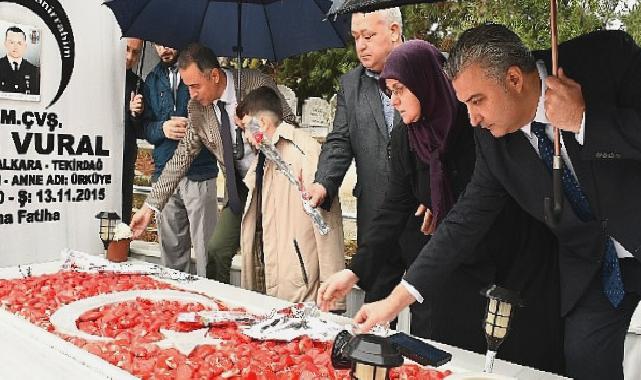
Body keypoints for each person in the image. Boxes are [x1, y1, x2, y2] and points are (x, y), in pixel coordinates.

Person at [342, 24, 641, 380]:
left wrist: (586, 121)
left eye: (477, 100)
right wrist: (395, 300)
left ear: (514, 79)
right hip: (593, 265)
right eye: (464, 103)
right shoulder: (492, 140)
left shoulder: (605, 59)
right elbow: (465, 219)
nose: (472, 118)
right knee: (585, 362)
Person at [318, 40, 563, 372]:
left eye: (401, 89)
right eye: (389, 91)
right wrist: (355, 269)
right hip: (453, 267)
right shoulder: (407, 136)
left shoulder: (474, 121)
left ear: (425, 81)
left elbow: (482, 200)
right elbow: (395, 206)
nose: (395, 100)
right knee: (448, 358)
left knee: (514, 360)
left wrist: (443, 203)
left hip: (511, 259)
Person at [130, 43, 295, 283]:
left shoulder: (255, 84)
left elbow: (290, 126)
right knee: (216, 251)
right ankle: (220, 313)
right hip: (238, 189)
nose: (192, 93)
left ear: (215, 76)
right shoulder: (197, 108)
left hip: (275, 180)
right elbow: (181, 157)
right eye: (188, 87)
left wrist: (258, 131)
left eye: (195, 86)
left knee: (269, 253)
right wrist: (149, 207)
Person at [308, 8, 424, 305]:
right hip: (376, 211)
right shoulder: (351, 84)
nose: (361, 45)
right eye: (356, 37)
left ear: (395, 31)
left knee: (429, 308)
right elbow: (340, 141)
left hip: (424, 214)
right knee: (375, 308)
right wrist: (323, 183)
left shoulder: (428, 71)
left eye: (369, 36)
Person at [236, 86, 345, 305]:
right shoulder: (264, 155)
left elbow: (327, 225)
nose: (245, 137)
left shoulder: (303, 151)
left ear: (263, 123)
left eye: (246, 128)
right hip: (271, 280)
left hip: (300, 289)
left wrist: (334, 299)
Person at [140, 43, 219, 277]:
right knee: (172, 251)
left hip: (200, 171)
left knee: (207, 249)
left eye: (168, 43)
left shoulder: (199, 68)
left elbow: (210, 115)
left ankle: (211, 301)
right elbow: (146, 128)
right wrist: (162, 128)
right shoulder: (151, 80)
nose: (163, 49)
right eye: (157, 44)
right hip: (164, 171)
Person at [122, 38, 145, 225]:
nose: (130, 57)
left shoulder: (138, 84)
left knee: (123, 203)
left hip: (125, 155)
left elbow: (141, 130)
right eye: (127, 50)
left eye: (136, 52)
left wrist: (135, 113)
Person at [0, 26, 40, 95]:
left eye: (19, 43)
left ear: (25, 46)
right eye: (11, 42)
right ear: (5, 44)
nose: (15, 47)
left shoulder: (33, 70)